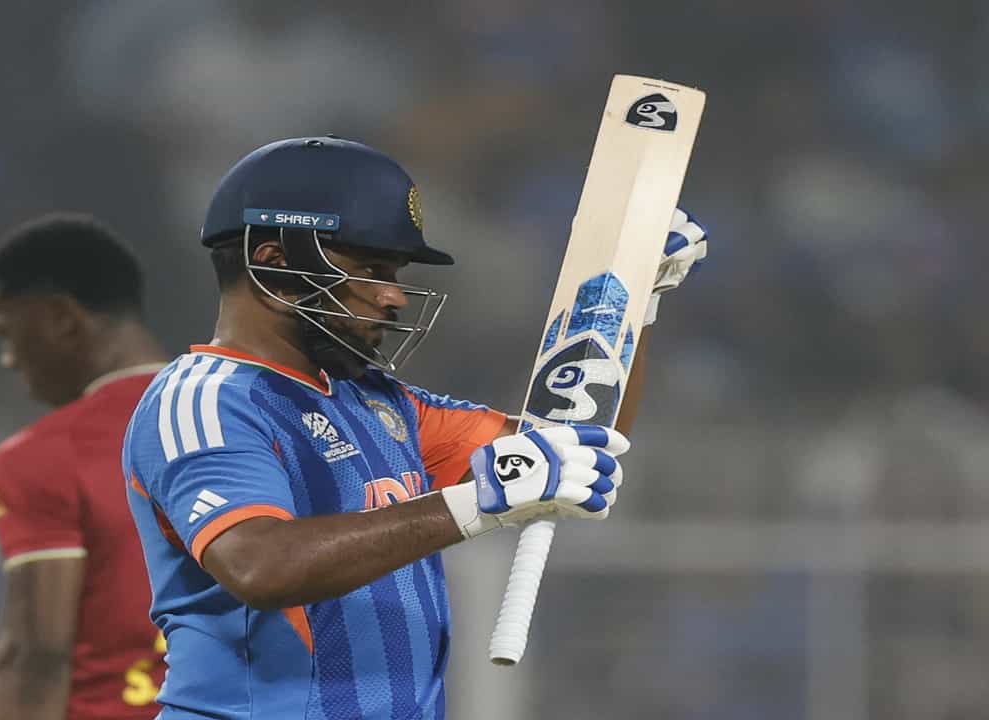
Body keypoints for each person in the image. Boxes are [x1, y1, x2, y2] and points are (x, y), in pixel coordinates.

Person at [122, 137, 708, 719]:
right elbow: (258, 565)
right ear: (275, 265)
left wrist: (632, 303)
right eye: (371, 269)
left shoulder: (383, 404)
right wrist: (478, 501)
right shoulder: (203, 400)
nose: (395, 296)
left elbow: (573, 442)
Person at [0, 213, 170, 720]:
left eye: (6, 333)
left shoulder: (45, 455)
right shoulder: (247, 420)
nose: (8, 359)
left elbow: (36, 655)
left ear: (62, 318)